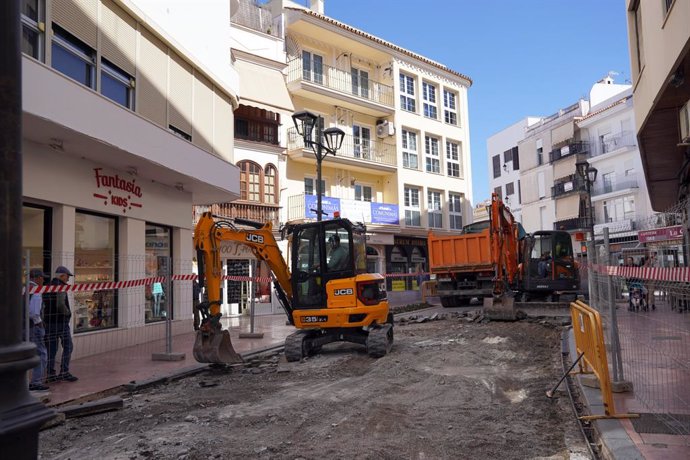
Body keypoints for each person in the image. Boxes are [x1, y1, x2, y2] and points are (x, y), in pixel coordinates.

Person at [44, 265, 78, 382]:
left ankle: (50, 373)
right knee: (68, 346)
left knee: (51, 349)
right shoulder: (60, 286)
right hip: (60, 322)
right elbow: (60, 304)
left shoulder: (48, 285)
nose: (68, 279)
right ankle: (64, 372)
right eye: (67, 277)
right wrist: (68, 313)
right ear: (62, 276)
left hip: (49, 323)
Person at [28, 268, 49, 391]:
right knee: (41, 353)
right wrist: (40, 324)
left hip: (23, 326)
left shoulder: (23, 288)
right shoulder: (36, 291)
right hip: (34, 326)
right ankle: (36, 382)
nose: (43, 280)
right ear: (37, 278)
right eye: (42, 278)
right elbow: (34, 312)